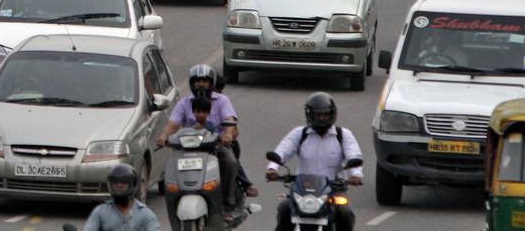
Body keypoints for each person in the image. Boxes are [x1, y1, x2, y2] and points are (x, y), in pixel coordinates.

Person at [154, 65, 244, 214]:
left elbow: (230, 119)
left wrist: (227, 134)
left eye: (205, 81)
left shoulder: (222, 100)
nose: (201, 84)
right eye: (198, 81)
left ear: (211, 83)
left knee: (229, 162)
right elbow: (173, 123)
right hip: (189, 147)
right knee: (171, 167)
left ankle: (227, 200)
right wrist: (163, 137)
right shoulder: (184, 102)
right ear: (192, 83)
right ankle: (176, 197)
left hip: (216, 145)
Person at [266, 93, 362, 231]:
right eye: (318, 115)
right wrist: (272, 169)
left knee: (345, 212)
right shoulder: (300, 133)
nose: (322, 118)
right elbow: (282, 151)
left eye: (325, 114)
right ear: (309, 115)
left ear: (332, 114)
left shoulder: (343, 135)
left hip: (334, 190)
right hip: (302, 190)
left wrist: (356, 175)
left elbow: (354, 154)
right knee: (284, 208)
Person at [81, 164, 161, 231]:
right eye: (115, 182)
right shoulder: (100, 212)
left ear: (132, 184)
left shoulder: (145, 215)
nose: (119, 185)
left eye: (123, 182)